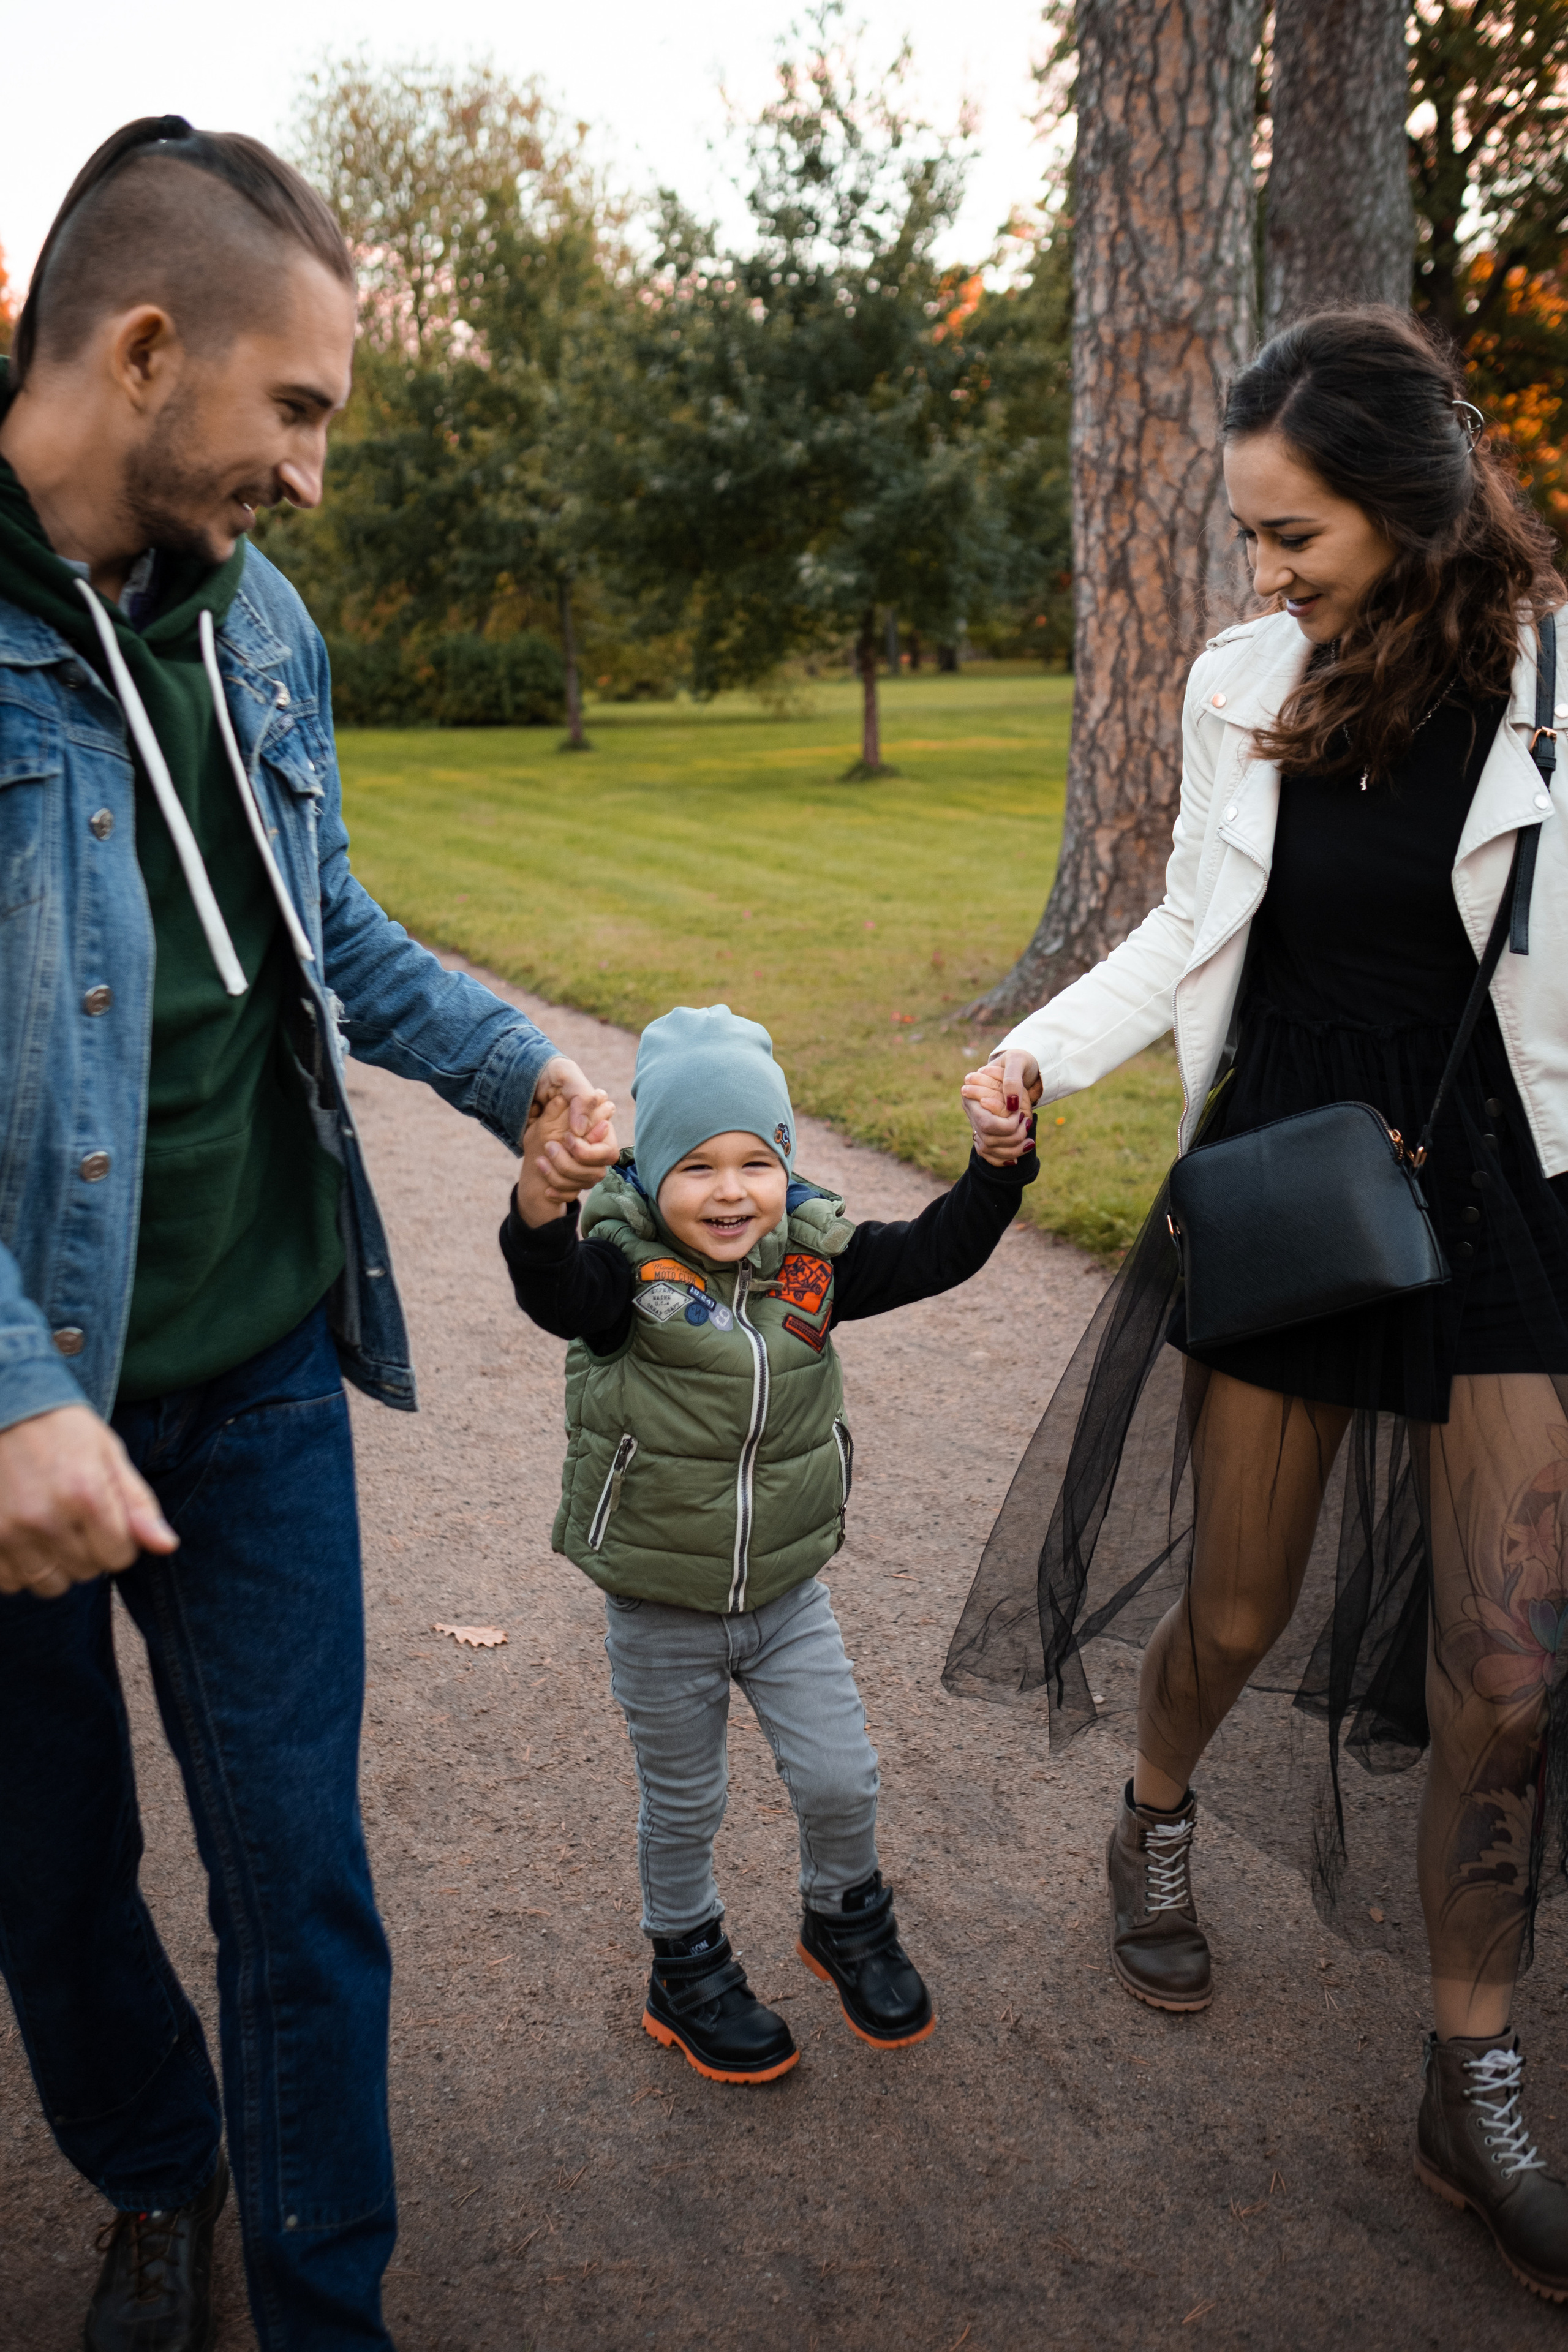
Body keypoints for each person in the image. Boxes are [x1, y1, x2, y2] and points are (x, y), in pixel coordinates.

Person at [0, 118, 616, 2351]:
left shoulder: (260, 622)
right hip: (17, 1417)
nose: (317, 479)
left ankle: (323, 2311)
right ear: (148, 353)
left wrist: (507, 1067)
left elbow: (321, 923)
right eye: (301, 413)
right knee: (49, 1877)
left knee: (301, 1883)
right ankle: (156, 2177)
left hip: (252, 1376)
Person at [956, 308, 1568, 2304]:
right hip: (1295, 1168)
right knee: (1233, 1603)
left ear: (1409, 501)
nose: (1264, 570)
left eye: (1293, 533)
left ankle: (1468, 2074)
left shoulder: (1556, 693)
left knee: (1510, 1665)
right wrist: (1042, 1055)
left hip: (1504, 1194)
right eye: (1249, 535)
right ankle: (1155, 1812)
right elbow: (1183, 931)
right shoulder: (1243, 682)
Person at [499, 1003, 1038, 2082]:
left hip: (789, 1597)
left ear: (787, 1166)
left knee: (844, 1778)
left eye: (757, 1161)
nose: (732, 1190)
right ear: (649, 1177)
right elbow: (550, 1289)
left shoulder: (815, 1266)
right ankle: (686, 1963)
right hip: (661, 1605)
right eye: (696, 1167)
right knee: (687, 1802)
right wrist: (541, 1207)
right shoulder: (623, 1278)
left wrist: (998, 1167)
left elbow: (939, 1252)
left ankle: (845, 1917)